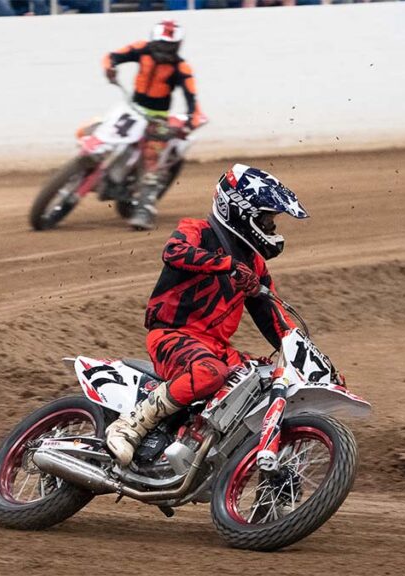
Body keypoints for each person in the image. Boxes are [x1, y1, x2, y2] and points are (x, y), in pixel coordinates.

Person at [105, 164, 308, 466]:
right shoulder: (197, 230)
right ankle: (130, 425)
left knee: (262, 381)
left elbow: (274, 319)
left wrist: (305, 356)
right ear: (241, 211)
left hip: (215, 346)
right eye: (266, 220)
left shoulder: (255, 266)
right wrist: (225, 265)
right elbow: (173, 252)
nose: (271, 228)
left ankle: (207, 446)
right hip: (173, 334)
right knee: (208, 372)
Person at [102, 19, 204, 231]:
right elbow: (112, 56)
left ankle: (144, 210)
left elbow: (192, 98)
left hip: (157, 117)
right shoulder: (141, 48)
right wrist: (109, 68)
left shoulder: (181, 67)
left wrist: (192, 121)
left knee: (152, 158)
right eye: (160, 45)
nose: (163, 51)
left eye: (169, 46)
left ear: (177, 46)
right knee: (98, 130)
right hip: (132, 107)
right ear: (153, 41)